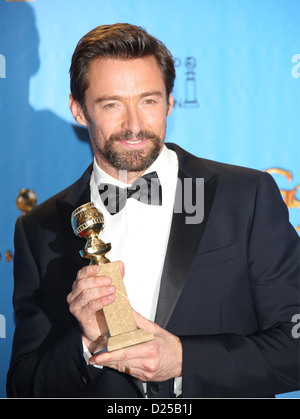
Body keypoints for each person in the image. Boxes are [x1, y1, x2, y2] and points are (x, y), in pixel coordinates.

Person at [6, 23, 299, 398]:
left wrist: (183, 360)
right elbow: (22, 386)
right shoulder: (39, 229)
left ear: (170, 102)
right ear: (79, 110)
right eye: (112, 104)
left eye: (149, 100)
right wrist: (85, 345)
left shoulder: (246, 197)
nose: (133, 125)